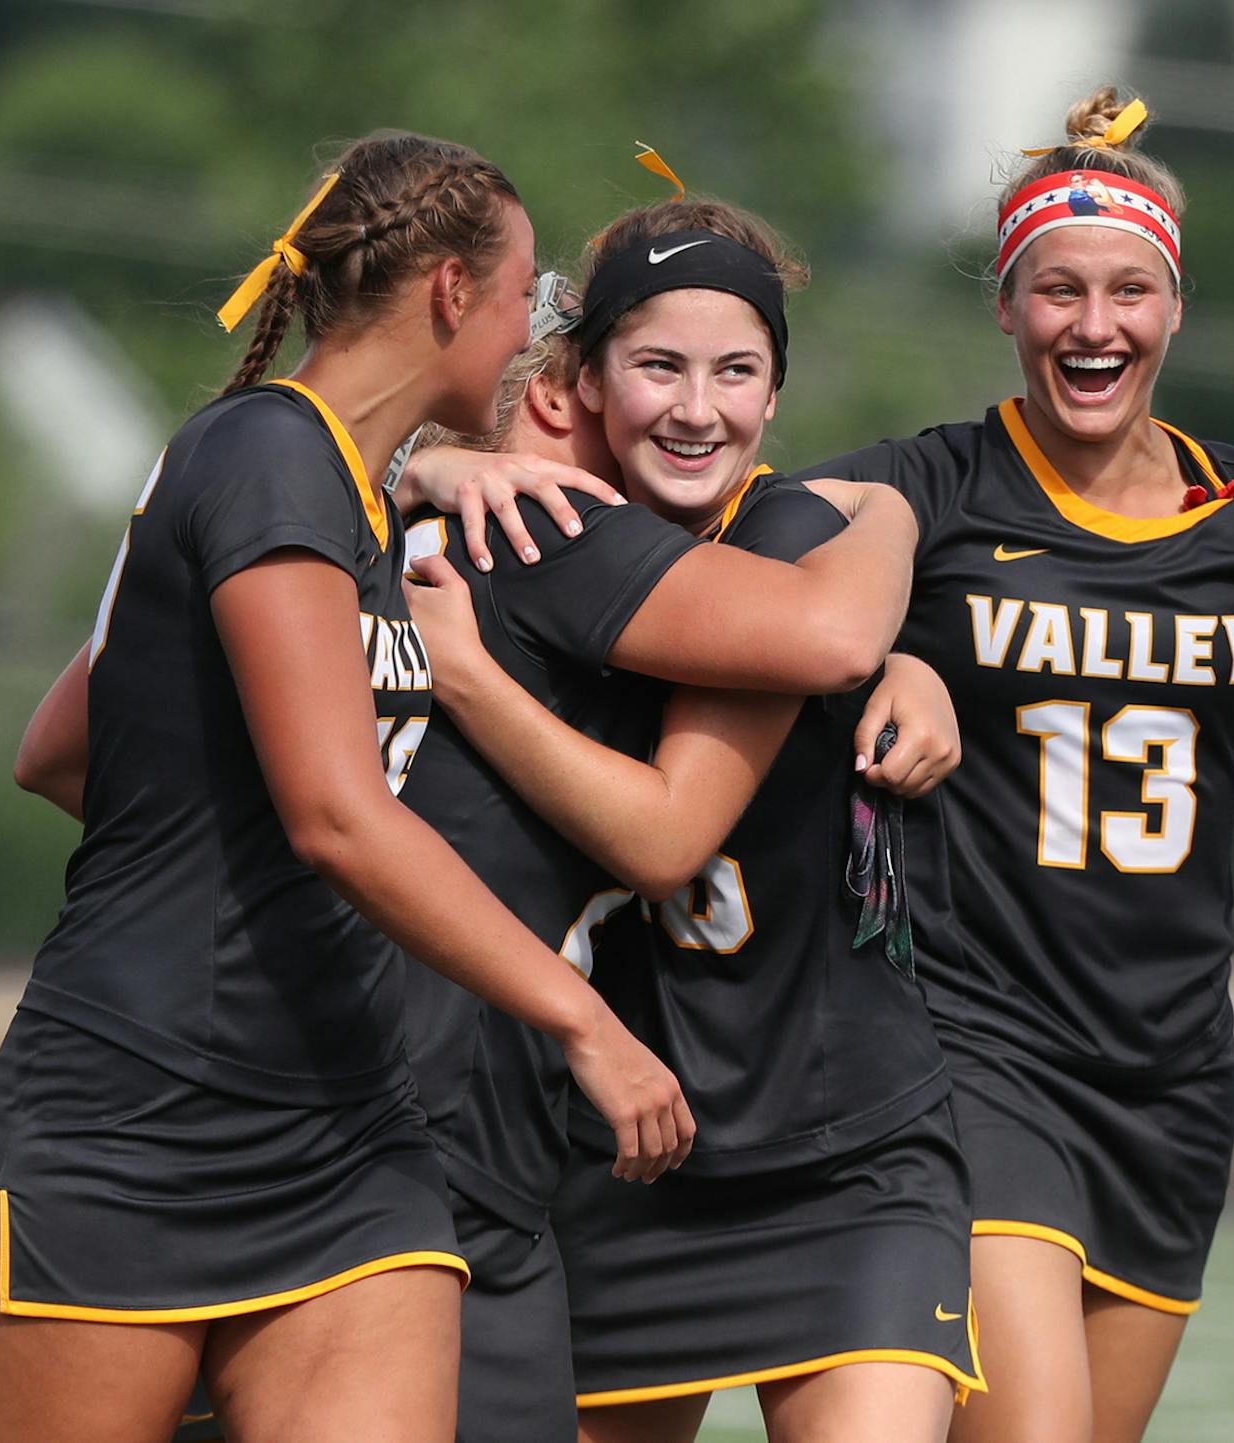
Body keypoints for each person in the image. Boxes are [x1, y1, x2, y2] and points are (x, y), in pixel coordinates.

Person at [0, 129, 695, 1443]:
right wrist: (583, 1017)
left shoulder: (361, 497)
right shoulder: (264, 455)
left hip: (348, 1140)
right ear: (451, 289)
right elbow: (336, 813)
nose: (530, 336)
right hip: (131, 1119)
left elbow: (67, 748)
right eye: (523, 298)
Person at [802, 88, 1234, 1443]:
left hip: (1172, 1073)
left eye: (1129, 290)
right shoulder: (931, 485)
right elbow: (700, 537)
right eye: (1058, 290)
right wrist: (874, 653)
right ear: (1007, 305)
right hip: (975, 1047)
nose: (1095, 326)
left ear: (1177, 305)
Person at [399, 197, 980, 1443]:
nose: (696, 407)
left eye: (738, 373)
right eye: (658, 367)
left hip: (841, 1151)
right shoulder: (539, 541)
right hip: (626, 1154)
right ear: (583, 381)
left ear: (776, 396)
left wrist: (890, 532)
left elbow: (670, 833)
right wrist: (424, 461)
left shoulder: (789, 535)